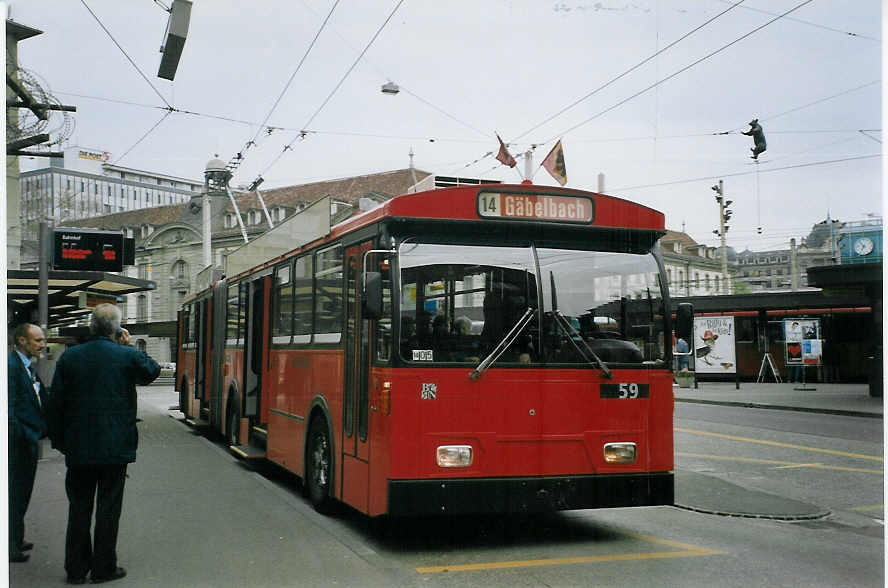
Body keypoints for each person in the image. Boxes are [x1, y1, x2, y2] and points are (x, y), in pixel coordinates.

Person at [48, 304, 160, 584]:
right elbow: (152, 371)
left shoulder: (70, 357)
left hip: (79, 448)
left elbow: (56, 404)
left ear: (91, 326)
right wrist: (128, 343)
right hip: (114, 448)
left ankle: (75, 569)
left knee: (79, 508)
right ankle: (103, 567)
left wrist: (61, 442)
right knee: (109, 509)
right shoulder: (126, 355)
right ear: (116, 329)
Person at [8, 323, 49, 563]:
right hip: (19, 444)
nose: (42, 345)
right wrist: (23, 436)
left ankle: (17, 537)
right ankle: (10, 546)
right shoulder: (12, 368)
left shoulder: (25, 365)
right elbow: (10, 410)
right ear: (22, 341)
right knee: (14, 494)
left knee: (22, 493)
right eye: (38, 340)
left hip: (28, 440)